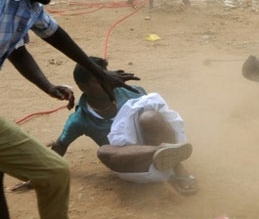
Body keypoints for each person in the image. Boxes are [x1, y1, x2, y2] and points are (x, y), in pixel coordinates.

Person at [0, 0, 138, 219]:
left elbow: (40, 37)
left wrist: (87, 74)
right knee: (54, 170)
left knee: (42, 171)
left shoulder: (23, 0)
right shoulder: (1, 0)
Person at [13, 57, 197, 194]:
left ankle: (178, 168)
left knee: (150, 116)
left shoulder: (130, 93)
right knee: (104, 152)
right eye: (98, 80)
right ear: (83, 87)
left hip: (155, 150)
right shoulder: (79, 119)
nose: (106, 82)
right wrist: (36, 178)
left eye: (106, 76)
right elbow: (60, 147)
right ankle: (163, 151)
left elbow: (163, 119)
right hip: (131, 163)